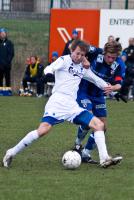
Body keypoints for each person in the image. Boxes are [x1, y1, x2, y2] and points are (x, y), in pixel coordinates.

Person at [3, 39, 122, 169]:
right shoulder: (64, 60)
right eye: (77, 53)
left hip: (72, 106)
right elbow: (50, 68)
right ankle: (11, 152)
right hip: (57, 103)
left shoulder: (83, 68)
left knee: (99, 125)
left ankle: (104, 158)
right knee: (43, 130)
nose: (79, 57)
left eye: (82, 55)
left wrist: (113, 89)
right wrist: (48, 74)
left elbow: (96, 80)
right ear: (72, 51)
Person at [74, 41, 124, 163]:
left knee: (103, 126)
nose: (111, 59)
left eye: (114, 57)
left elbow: (119, 84)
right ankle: (77, 144)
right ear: (104, 52)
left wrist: (113, 88)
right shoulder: (95, 52)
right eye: (109, 56)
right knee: (89, 120)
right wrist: (84, 59)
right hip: (83, 91)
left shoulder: (118, 64)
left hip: (99, 96)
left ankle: (86, 153)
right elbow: (80, 46)